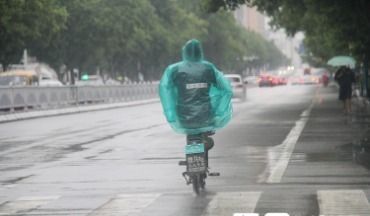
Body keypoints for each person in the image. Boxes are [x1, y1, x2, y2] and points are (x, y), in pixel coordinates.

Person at [158, 39, 233, 151]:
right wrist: (219, 112)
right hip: (206, 118)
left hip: (184, 119)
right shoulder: (208, 68)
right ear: (200, 52)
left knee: (192, 129)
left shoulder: (174, 70)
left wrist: (171, 114)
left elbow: (165, 88)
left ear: (185, 53)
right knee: (207, 132)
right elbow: (227, 90)